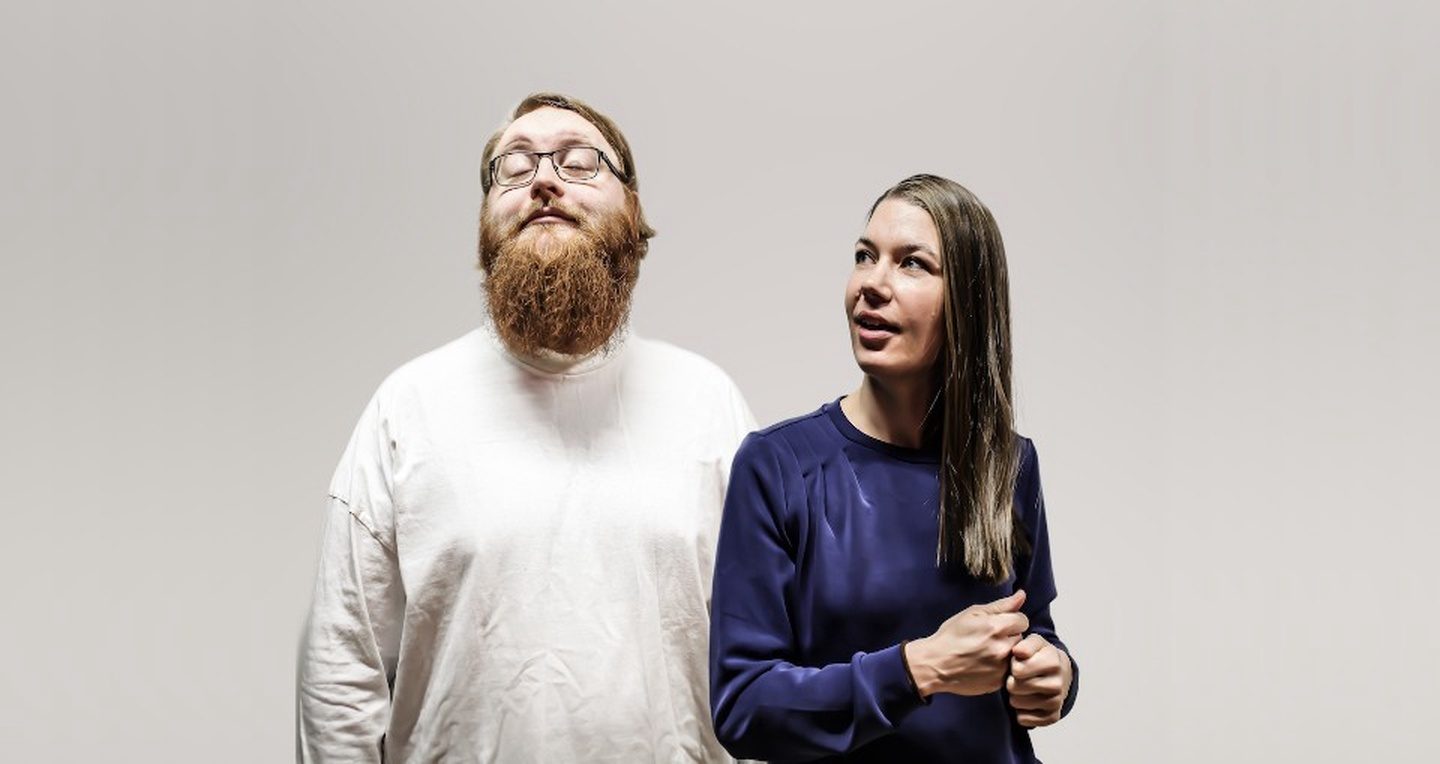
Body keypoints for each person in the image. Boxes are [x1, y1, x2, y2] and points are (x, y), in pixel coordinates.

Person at [297, 92, 754, 763]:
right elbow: (341, 673)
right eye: (513, 168)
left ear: (634, 210)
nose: (543, 180)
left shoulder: (711, 406)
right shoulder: (407, 408)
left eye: (580, 163)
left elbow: (772, 661)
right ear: (486, 224)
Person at [709, 174, 1078, 762]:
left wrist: (1053, 674)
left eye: (912, 264)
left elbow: (1033, 628)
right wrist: (919, 668)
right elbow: (744, 705)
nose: (871, 285)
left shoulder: (1009, 465)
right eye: (864, 257)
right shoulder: (777, 467)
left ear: (968, 301)